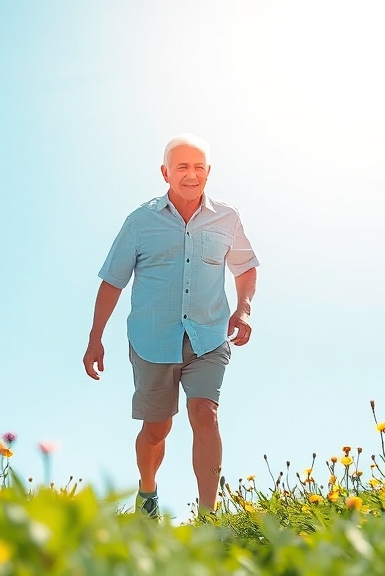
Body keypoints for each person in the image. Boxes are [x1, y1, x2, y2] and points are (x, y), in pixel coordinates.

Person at [82, 133, 259, 519]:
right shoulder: (140, 221)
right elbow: (113, 280)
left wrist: (243, 309)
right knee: (156, 429)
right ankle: (148, 493)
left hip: (208, 336)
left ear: (208, 172)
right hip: (153, 340)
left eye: (198, 167)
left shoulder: (227, 219)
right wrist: (95, 338)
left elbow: (246, 267)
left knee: (205, 414)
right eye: (182, 166)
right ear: (165, 172)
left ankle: (209, 518)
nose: (191, 174)